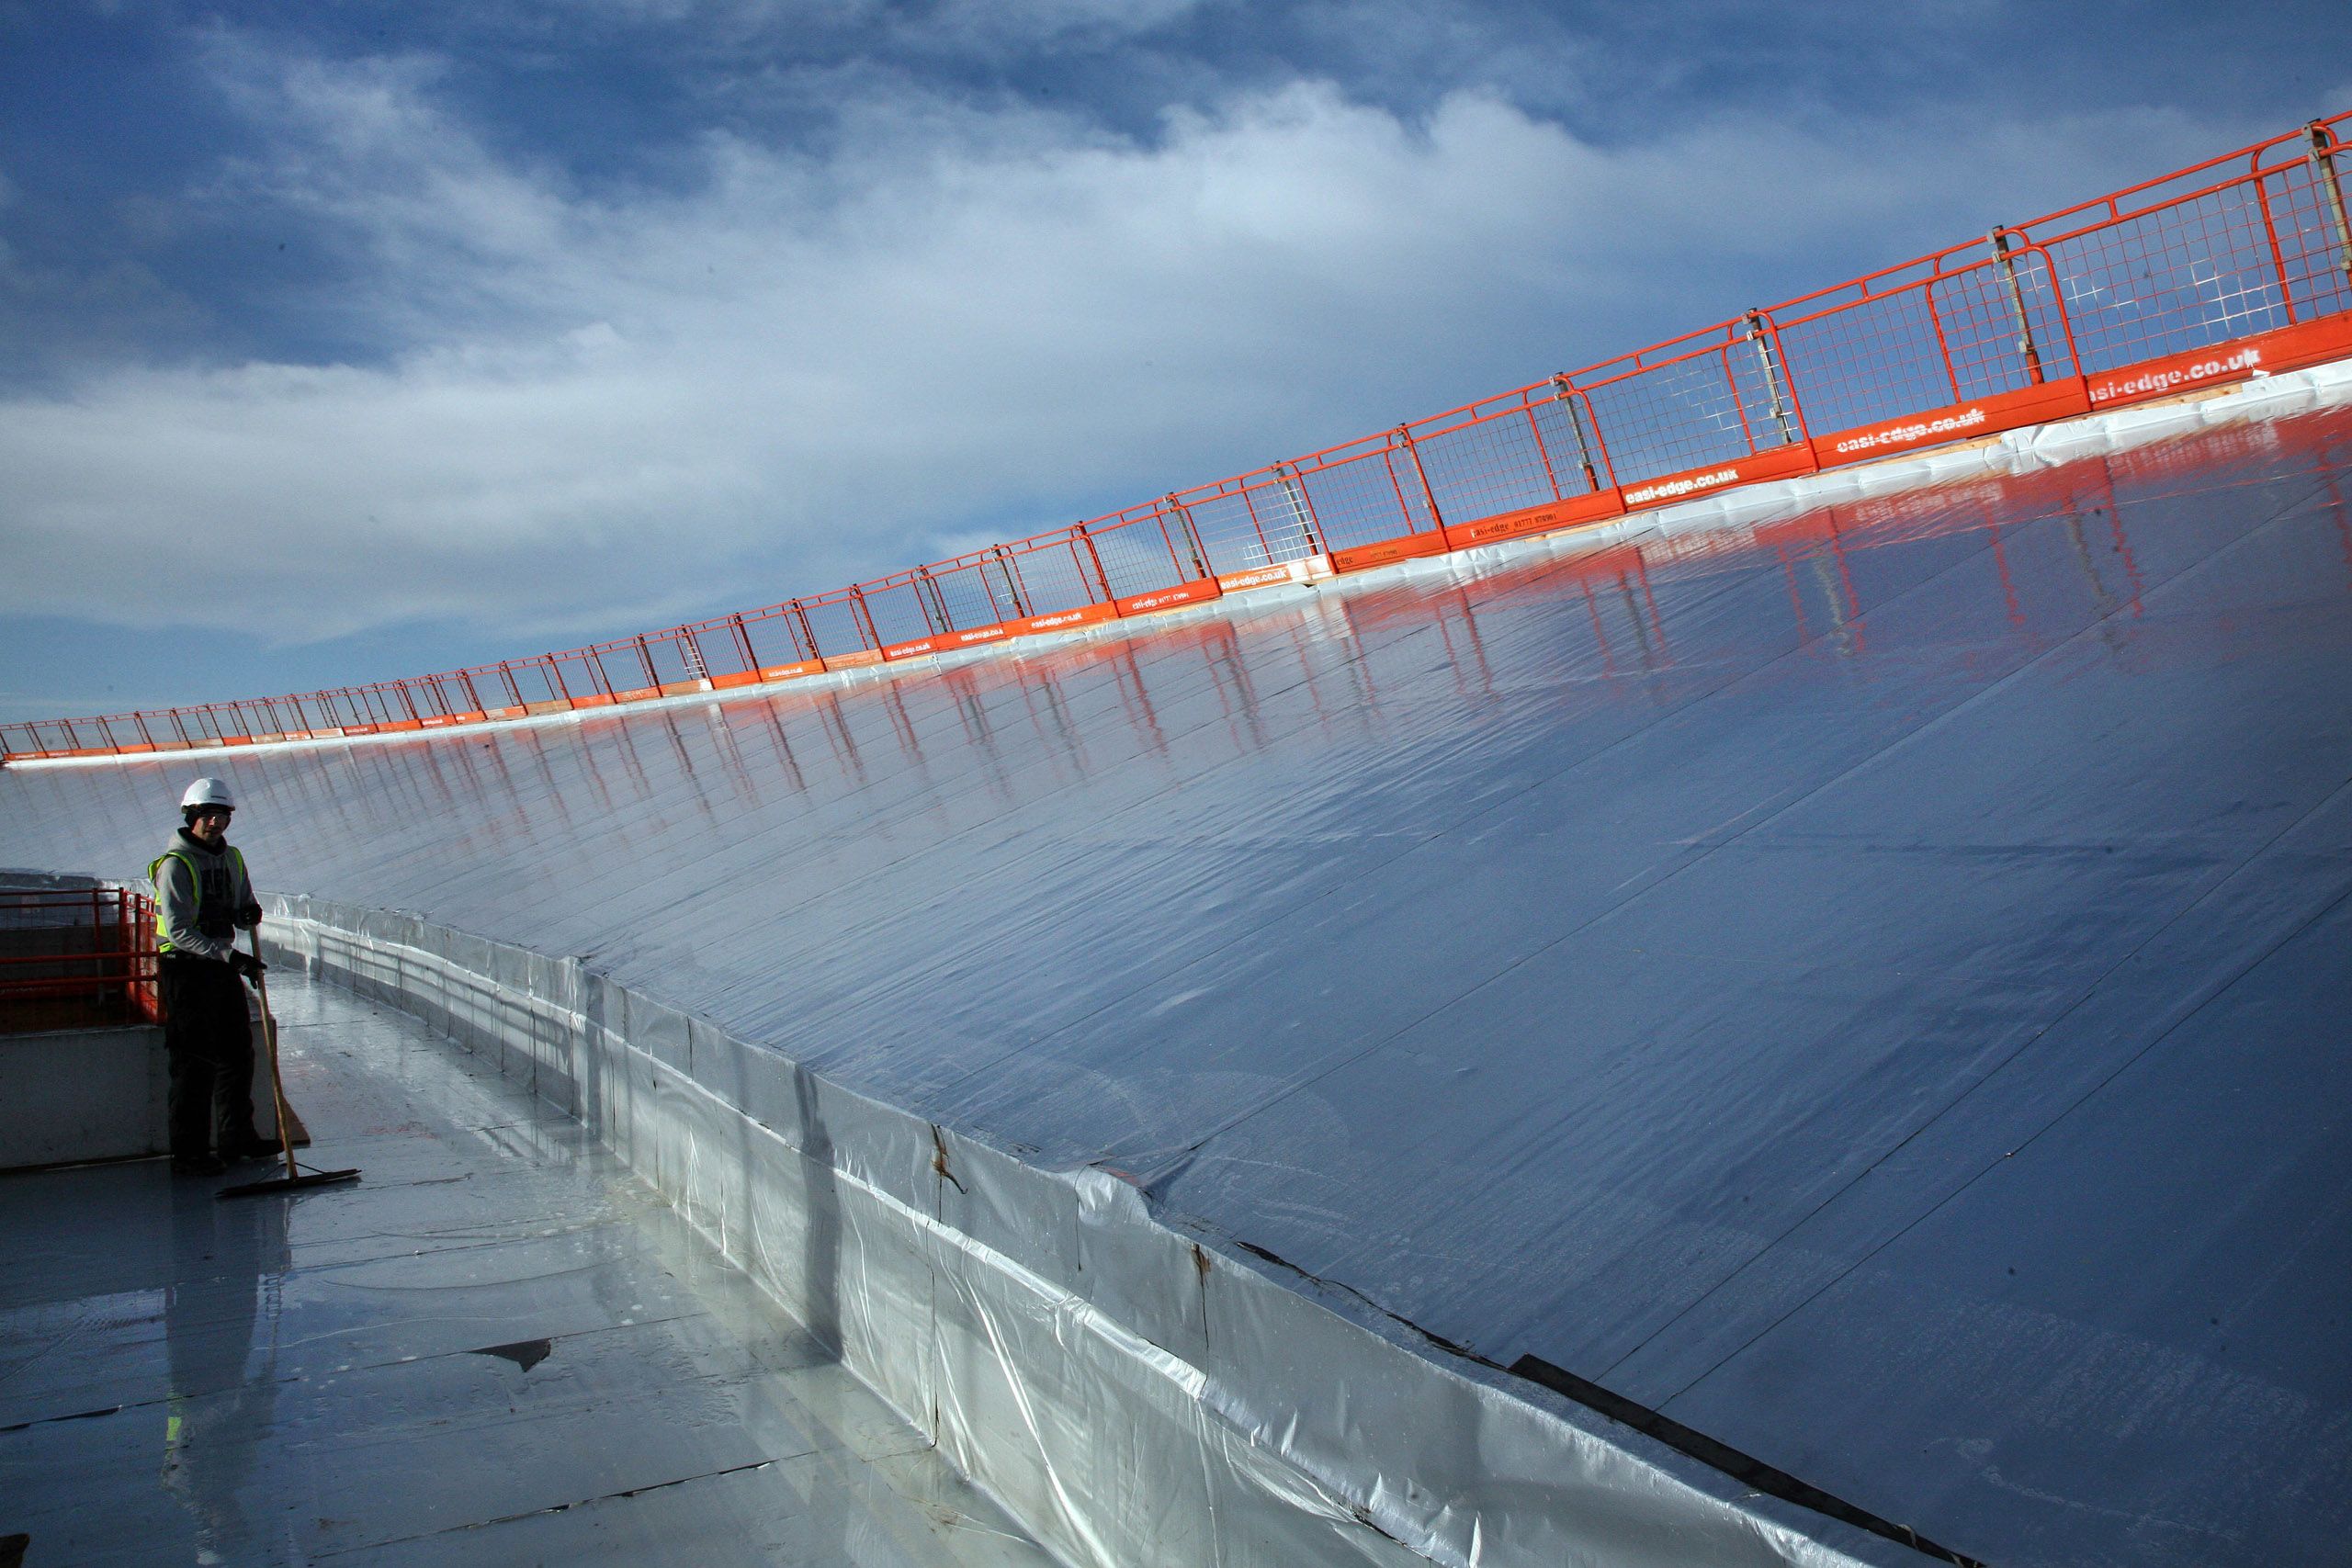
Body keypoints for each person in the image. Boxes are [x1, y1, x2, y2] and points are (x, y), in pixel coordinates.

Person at [150, 777, 273, 1177]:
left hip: (219, 966)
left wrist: (248, 913)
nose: (216, 823)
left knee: (238, 1053)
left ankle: (238, 1137)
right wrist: (231, 956)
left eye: (222, 816)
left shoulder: (233, 858)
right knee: (193, 1062)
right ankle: (189, 1153)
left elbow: (241, 903)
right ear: (191, 817)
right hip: (185, 969)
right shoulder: (176, 865)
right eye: (208, 816)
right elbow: (180, 930)